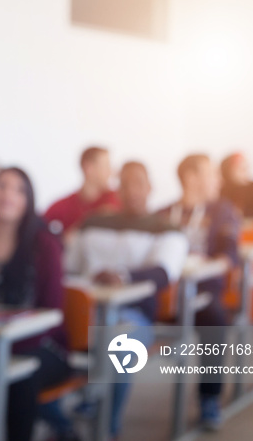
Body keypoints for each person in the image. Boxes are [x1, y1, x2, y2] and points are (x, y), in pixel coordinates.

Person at [65, 161, 189, 438]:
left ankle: (107, 427)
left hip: (134, 314)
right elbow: (68, 267)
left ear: (150, 188)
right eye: (125, 184)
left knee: (120, 345)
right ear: (116, 190)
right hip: (83, 311)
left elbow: (163, 272)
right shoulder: (93, 223)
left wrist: (121, 276)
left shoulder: (167, 229)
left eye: (139, 183)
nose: (132, 190)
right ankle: (66, 424)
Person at [0, 168, 79, 441]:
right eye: (2, 186)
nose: (8, 195)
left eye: (19, 190)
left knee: (19, 375)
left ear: (28, 200)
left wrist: (2, 346)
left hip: (42, 347)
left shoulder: (45, 245)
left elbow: (53, 313)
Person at [158, 154, 241, 431]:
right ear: (191, 177)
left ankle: (209, 398)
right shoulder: (163, 213)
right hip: (165, 297)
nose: (218, 179)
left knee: (215, 319)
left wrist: (204, 265)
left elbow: (229, 254)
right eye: (211, 173)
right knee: (118, 317)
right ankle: (95, 394)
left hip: (202, 295)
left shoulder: (222, 210)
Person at [44, 147, 120, 235]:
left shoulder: (118, 201)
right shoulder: (60, 208)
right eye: (106, 166)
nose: (111, 172)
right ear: (89, 168)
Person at [219, 152, 253, 218]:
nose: (246, 173)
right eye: (241, 169)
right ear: (229, 171)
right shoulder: (221, 189)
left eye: (246, 168)